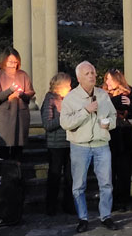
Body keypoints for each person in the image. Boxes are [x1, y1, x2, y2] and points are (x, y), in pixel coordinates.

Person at [60, 61, 118, 233]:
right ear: (79, 78)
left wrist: (110, 124)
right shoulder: (71, 98)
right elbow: (65, 123)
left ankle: (106, 216)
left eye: (93, 72)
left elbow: (113, 115)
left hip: (101, 144)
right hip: (80, 146)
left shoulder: (103, 95)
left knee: (106, 183)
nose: (92, 76)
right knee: (78, 185)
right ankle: (83, 218)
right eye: (88, 73)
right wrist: (86, 111)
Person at [0, 47, 35, 161]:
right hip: (4, 118)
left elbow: (30, 93)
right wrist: (9, 90)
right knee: (3, 149)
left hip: (20, 116)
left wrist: (21, 94)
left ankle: (17, 174)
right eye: (10, 62)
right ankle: (4, 176)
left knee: (18, 149)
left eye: (15, 62)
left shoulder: (23, 75)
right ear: (4, 61)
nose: (13, 65)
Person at [103, 69, 132, 212]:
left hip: (124, 134)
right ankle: (110, 200)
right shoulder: (102, 94)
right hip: (110, 134)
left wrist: (130, 105)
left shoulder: (128, 93)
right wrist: (113, 102)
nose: (107, 82)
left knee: (124, 170)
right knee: (110, 169)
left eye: (110, 79)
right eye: (106, 79)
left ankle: (123, 199)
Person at [40, 72, 74, 216]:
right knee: (54, 176)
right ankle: (51, 206)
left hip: (70, 142)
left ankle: (69, 205)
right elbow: (47, 124)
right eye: (68, 85)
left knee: (70, 176)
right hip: (55, 145)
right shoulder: (50, 100)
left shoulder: (69, 99)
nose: (70, 87)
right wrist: (63, 117)